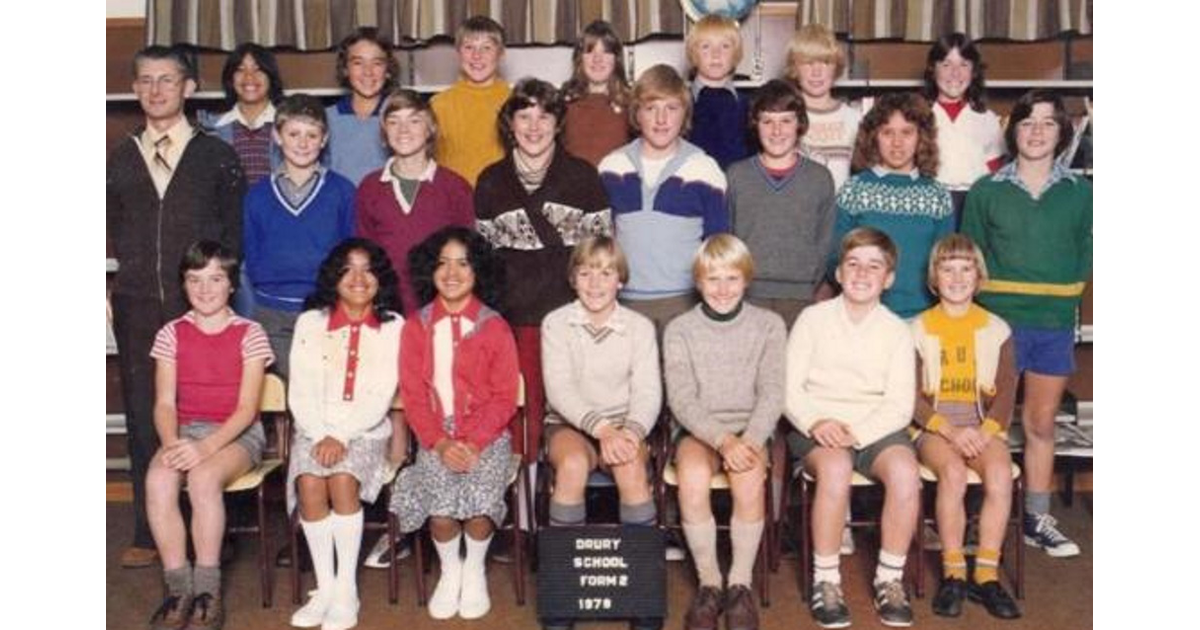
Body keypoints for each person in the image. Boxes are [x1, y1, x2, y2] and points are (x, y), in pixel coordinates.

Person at [108, 44, 247, 570]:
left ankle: (214, 529)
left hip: (205, 309)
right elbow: (114, 228)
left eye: (168, 80)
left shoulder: (217, 155)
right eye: (145, 80)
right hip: (138, 304)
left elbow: (233, 239)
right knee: (147, 413)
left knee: (207, 410)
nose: (156, 90)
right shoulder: (121, 156)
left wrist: (221, 302)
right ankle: (151, 531)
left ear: (189, 87)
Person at [961, 90, 1091, 559]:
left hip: (1053, 322)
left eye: (1048, 123)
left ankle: (1037, 518)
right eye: (1027, 123)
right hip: (998, 325)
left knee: (1039, 423)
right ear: (1012, 130)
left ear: (1062, 133)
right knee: (986, 422)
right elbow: (971, 255)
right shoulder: (986, 190)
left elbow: (1087, 248)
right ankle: (976, 516)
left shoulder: (1082, 193)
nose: (1036, 132)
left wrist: (1071, 289)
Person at [785, 227, 920, 629]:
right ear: (839, 273)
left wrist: (856, 433)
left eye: (874, 267)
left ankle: (890, 578)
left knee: (905, 471)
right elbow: (789, 388)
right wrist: (816, 422)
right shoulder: (812, 318)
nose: (862, 274)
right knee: (836, 468)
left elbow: (899, 405)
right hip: (816, 425)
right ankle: (826, 580)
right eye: (853, 265)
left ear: (889, 278)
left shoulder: (897, 329)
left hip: (875, 428)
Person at [475, 78, 612, 465]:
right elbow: (482, 263)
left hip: (571, 320)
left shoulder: (584, 177)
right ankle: (521, 498)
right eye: (524, 116)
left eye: (544, 116)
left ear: (557, 123)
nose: (534, 127)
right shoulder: (490, 181)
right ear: (510, 123)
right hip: (512, 321)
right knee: (517, 414)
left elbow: (601, 257)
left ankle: (562, 501)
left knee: (570, 416)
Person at [390, 227, 520, 621]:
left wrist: (475, 442)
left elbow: (503, 398)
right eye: (443, 263)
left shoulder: (494, 325)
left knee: (480, 505)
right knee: (442, 509)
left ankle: (474, 569)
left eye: (463, 263)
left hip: (488, 433)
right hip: (434, 434)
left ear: (477, 271)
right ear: (430, 271)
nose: (451, 272)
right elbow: (413, 396)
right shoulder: (417, 325)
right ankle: (451, 570)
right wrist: (441, 443)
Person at [145, 241, 273, 630]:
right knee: (158, 479)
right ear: (183, 285)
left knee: (202, 478)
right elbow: (165, 404)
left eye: (216, 279)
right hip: (184, 432)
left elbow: (247, 409)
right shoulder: (171, 333)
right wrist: (172, 445)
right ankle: (178, 589)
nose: (205, 289)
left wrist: (204, 448)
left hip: (237, 434)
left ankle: (207, 591)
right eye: (194, 279)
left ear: (232, 284)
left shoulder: (250, 333)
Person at [539, 236, 661, 630]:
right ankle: (563, 592)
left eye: (606, 273)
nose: (595, 283)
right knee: (572, 465)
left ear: (620, 281)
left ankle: (642, 593)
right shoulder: (556, 323)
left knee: (629, 469)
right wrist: (602, 429)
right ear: (573, 278)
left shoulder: (639, 326)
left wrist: (628, 433)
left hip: (626, 426)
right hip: (571, 423)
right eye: (586, 272)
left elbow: (648, 392)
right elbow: (560, 390)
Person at [664, 235, 785, 630]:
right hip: (699, 430)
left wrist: (748, 442)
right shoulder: (680, 328)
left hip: (750, 430)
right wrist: (723, 440)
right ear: (698, 281)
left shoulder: (769, 325)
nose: (722, 289)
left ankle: (740, 586)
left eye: (732, 278)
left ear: (746, 280)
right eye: (712, 279)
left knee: (749, 480)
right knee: (693, 478)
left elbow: (772, 392)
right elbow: (682, 399)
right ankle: (710, 584)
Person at [287, 238, 406, 630]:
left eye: (367, 269)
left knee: (341, 479)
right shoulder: (311, 322)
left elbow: (381, 393)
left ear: (380, 277)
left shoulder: (393, 327)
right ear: (333, 278)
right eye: (347, 270)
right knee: (308, 482)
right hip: (313, 428)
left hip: (366, 430)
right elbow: (300, 390)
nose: (358, 278)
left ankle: (345, 590)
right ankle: (325, 587)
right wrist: (322, 432)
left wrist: (341, 435)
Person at [912, 234, 1021, 620]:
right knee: (954, 475)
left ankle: (987, 574)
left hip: (983, 426)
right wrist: (950, 431)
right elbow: (910, 397)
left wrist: (986, 430)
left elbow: (1008, 389)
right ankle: (954, 571)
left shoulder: (997, 328)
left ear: (979, 277)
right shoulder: (917, 328)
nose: (956, 277)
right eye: (947, 269)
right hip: (935, 429)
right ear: (934, 277)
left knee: (999, 474)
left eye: (966, 268)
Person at [598, 64, 729, 336]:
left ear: (685, 114)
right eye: (651, 108)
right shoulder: (611, 167)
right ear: (636, 114)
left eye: (671, 108)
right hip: (624, 302)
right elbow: (600, 243)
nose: (661, 119)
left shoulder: (705, 169)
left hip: (685, 303)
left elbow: (717, 246)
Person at [243, 94, 357, 378]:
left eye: (312, 135)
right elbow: (251, 252)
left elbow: (350, 248)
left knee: (323, 393)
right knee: (277, 401)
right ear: (278, 137)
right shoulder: (257, 195)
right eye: (294, 134)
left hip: (326, 309)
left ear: (324, 139)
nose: (303, 143)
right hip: (272, 310)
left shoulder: (342, 191)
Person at [831, 91, 955, 320]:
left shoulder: (937, 195)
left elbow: (945, 264)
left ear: (921, 138)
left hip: (923, 317)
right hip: (864, 314)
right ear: (874, 137)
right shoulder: (855, 190)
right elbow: (835, 259)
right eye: (887, 133)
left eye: (907, 132)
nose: (897, 142)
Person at [355, 88, 476, 316]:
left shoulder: (455, 187)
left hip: (443, 311)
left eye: (414, 121)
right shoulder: (369, 188)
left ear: (430, 129)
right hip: (387, 313)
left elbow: (467, 260)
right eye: (393, 122)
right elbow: (366, 257)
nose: (403, 130)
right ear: (384, 132)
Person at [727, 79, 835, 328]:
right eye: (767, 121)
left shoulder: (819, 178)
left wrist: (814, 283)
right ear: (756, 125)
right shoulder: (737, 175)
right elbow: (728, 236)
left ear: (800, 124)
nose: (777, 131)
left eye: (786, 120)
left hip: (802, 296)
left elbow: (826, 239)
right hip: (748, 294)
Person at [921, 33, 1005, 225]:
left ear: (974, 72)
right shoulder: (918, 116)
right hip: (931, 203)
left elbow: (995, 171)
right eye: (946, 65)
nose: (955, 73)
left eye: (964, 65)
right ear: (932, 69)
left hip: (975, 203)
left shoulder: (987, 118)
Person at [431, 15, 512, 186]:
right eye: (469, 47)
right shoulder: (439, 105)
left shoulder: (515, 101)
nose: (477, 56)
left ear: (501, 53)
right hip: (454, 201)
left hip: (503, 202)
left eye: (486, 48)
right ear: (458, 52)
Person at [784, 24, 861, 191]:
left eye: (825, 62)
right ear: (795, 68)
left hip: (839, 212)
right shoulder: (784, 118)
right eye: (807, 63)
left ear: (836, 68)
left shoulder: (854, 118)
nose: (816, 72)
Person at [200, 43, 286, 185]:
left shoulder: (290, 127)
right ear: (230, 78)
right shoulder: (210, 130)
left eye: (258, 70)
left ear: (271, 77)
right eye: (240, 70)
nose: (249, 77)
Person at [325, 27, 398, 186]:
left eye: (377, 63)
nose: (368, 72)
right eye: (358, 63)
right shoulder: (324, 120)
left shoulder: (401, 118)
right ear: (345, 69)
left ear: (388, 71)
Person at [561, 20, 633, 167]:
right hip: (575, 186)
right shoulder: (564, 103)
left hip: (615, 185)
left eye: (605, 52)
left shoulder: (631, 103)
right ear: (580, 58)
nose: (597, 59)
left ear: (616, 59)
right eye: (590, 51)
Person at [685, 14, 751, 169]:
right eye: (706, 46)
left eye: (725, 46)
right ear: (693, 53)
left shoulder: (749, 105)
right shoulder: (680, 103)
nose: (716, 54)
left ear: (736, 54)